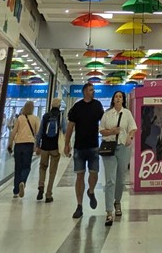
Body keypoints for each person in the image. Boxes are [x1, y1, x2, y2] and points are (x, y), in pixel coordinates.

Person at [64, 83, 104, 219]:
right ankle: (79, 205)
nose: (93, 92)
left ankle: (91, 191)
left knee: (94, 173)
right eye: (91, 90)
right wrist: (66, 143)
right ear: (85, 91)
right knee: (79, 176)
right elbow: (70, 127)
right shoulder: (77, 107)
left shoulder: (98, 105)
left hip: (93, 146)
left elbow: (103, 123)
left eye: (93, 90)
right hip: (79, 147)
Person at [99, 91, 137, 227]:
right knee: (110, 180)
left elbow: (133, 128)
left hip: (123, 148)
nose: (118, 98)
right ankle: (109, 211)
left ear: (123, 99)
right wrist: (111, 132)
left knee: (120, 178)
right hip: (109, 148)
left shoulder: (127, 113)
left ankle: (118, 202)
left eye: (120, 97)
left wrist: (130, 137)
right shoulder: (107, 114)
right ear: (113, 99)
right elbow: (101, 130)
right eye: (116, 96)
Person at [8, 100, 40, 198]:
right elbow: (38, 134)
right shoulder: (35, 119)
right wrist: (37, 145)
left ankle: (15, 191)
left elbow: (13, 132)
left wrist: (10, 144)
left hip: (18, 145)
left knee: (18, 167)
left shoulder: (20, 118)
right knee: (26, 166)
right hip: (28, 145)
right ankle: (23, 181)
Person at [35, 97, 62, 203]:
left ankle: (41, 185)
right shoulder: (61, 116)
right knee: (52, 172)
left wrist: (38, 145)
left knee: (42, 168)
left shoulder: (46, 116)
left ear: (51, 105)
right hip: (55, 148)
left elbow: (40, 132)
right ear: (59, 106)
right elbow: (64, 131)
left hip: (45, 148)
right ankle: (48, 194)